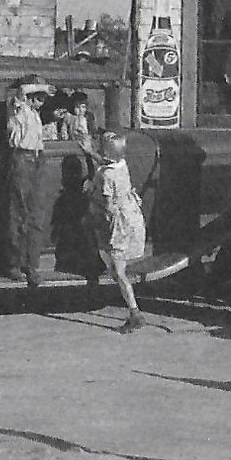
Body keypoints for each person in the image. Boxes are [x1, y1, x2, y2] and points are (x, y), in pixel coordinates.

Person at [88, 130, 147, 333]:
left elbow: (107, 205)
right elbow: (107, 163)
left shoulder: (106, 176)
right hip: (132, 215)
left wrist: (89, 191)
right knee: (118, 266)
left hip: (118, 223)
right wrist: (90, 153)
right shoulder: (122, 165)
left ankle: (134, 312)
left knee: (118, 272)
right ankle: (133, 308)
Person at [2, 73, 52, 288]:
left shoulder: (34, 113)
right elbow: (21, 91)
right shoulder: (18, 107)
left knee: (36, 213)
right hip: (22, 158)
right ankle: (14, 263)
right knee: (19, 212)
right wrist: (42, 86)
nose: (41, 101)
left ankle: (32, 264)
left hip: (37, 159)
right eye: (38, 97)